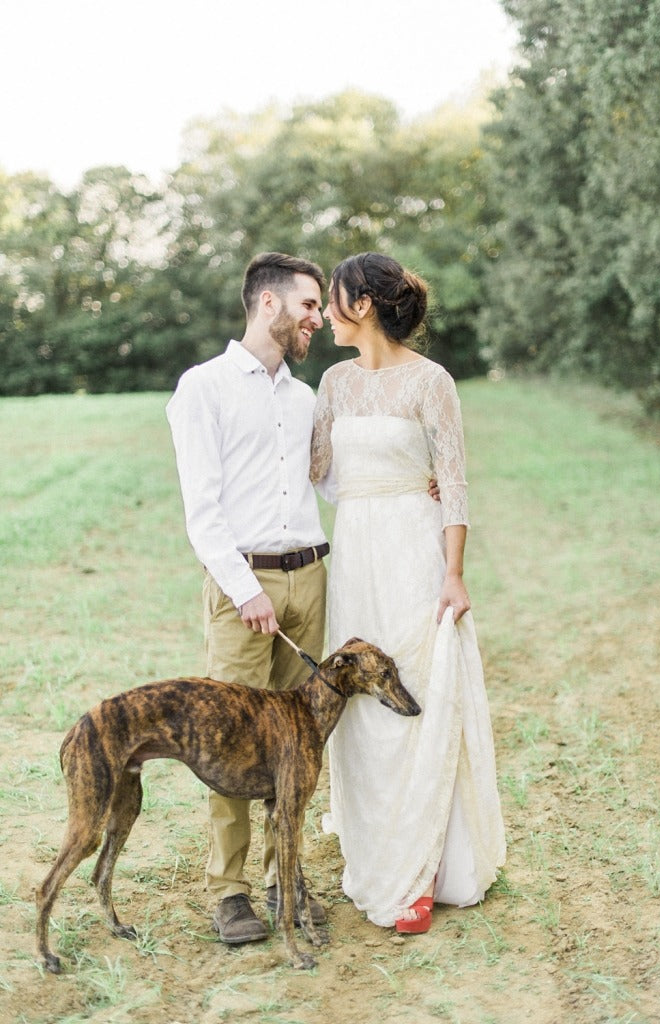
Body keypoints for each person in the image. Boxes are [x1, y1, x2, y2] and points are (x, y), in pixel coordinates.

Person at [310, 252, 506, 933]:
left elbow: (452, 481)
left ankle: (422, 869)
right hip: (356, 552)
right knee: (359, 704)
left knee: (418, 691)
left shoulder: (432, 381)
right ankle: (376, 849)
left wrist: (453, 572)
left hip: (414, 550)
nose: (324, 311)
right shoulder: (332, 383)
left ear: (360, 303)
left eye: (330, 298)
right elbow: (310, 468)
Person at [166, 252, 330, 945]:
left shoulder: (304, 397)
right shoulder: (201, 388)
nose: (317, 320)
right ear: (269, 304)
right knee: (230, 742)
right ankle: (230, 891)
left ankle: (283, 878)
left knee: (298, 747)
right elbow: (201, 509)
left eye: (318, 309)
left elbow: (329, 484)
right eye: (309, 306)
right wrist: (244, 590)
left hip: (311, 579)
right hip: (245, 586)